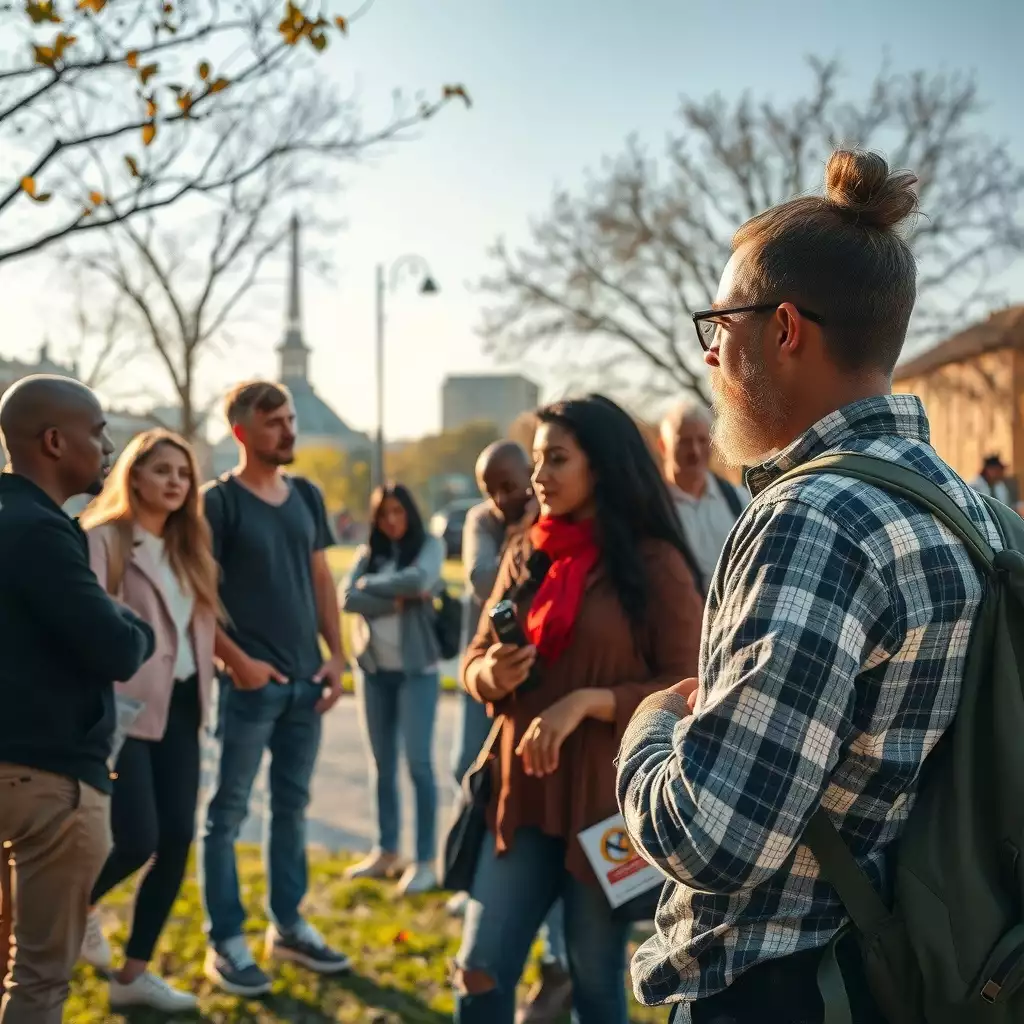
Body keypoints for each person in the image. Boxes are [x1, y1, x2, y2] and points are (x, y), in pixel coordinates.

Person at [616, 149, 1006, 1024]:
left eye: (720, 323)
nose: (712, 351)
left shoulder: (816, 518)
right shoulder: (963, 508)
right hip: (912, 964)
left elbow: (714, 836)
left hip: (781, 985)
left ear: (784, 329)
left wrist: (649, 733)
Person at [456, 394, 703, 1024]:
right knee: (480, 971)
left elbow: (690, 682)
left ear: (602, 466)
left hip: (607, 813)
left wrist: (588, 703)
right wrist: (489, 673)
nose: (539, 476)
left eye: (556, 459)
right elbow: (476, 655)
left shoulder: (656, 564)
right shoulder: (525, 551)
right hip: (523, 800)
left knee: (596, 986)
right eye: (538, 459)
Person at [0, 375, 155, 1024]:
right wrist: (137, 626)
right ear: (55, 441)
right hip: (48, 783)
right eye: (97, 432)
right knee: (38, 981)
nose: (107, 445)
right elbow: (118, 647)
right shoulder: (39, 530)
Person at [200, 380, 349, 997]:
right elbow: (198, 596)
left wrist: (337, 657)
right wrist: (237, 663)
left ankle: (287, 925)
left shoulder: (307, 495)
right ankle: (225, 939)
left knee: (292, 810)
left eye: (290, 420)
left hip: (303, 688)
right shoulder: (218, 503)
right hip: (250, 688)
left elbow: (320, 579)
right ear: (241, 431)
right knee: (227, 816)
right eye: (274, 423)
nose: (289, 431)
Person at [76, 429, 219, 1011]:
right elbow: (87, 621)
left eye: (183, 474)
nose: (175, 482)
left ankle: (132, 978)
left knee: (178, 838)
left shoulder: (192, 546)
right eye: (162, 470)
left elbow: (201, 628)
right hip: (126, 707)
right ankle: (69, 907)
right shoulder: (105, 538)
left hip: (184, 705)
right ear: (133, 474)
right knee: (138, 837)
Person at [450, 441, 572, 1024]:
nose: (507, 494)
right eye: (492, 488)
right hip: (503, 708)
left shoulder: (575, 533)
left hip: (570, 744)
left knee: (594, 970)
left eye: (513, 480)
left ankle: (556, 964)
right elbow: (479, 581)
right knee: (474, 781)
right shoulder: (495, 528)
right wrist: (519, 533)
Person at [341, 484, 445, 895]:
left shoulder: (430, 546)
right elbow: (347, 597)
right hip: (372, 671)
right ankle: (386, 850)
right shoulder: (368, 555)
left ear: (410, 513)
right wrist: (391, 597)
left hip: (417, 671)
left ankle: (424, 861)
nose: (392, 520)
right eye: (384, 514)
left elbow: (422, 577)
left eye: (398, 511)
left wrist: (370, 587)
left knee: (418, 766)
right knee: (381, 763)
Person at [658, 399, 749, 590]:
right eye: (684, 442)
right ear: (663, 446)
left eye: (702, 440)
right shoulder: (651, 507)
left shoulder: (739, 500)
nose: (695, 451)